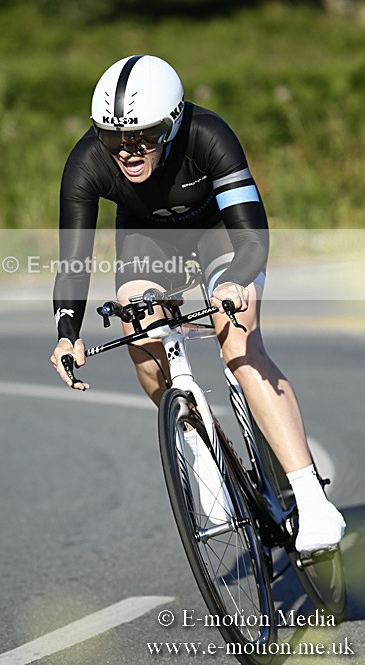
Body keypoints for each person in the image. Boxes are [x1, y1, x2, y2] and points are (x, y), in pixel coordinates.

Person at [50, 54, 345, 554]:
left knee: (240, 345)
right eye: (114, 136)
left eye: (144, 134)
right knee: (142, 340)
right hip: (148, 245)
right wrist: (66, 330)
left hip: (221, 240)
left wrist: (235, 282)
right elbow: (73, 260)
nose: (128, 149)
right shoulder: (86, 160)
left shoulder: (208, 134)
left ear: (174, 121)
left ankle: (313, 501)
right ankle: (196, 445)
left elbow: (253, 237)